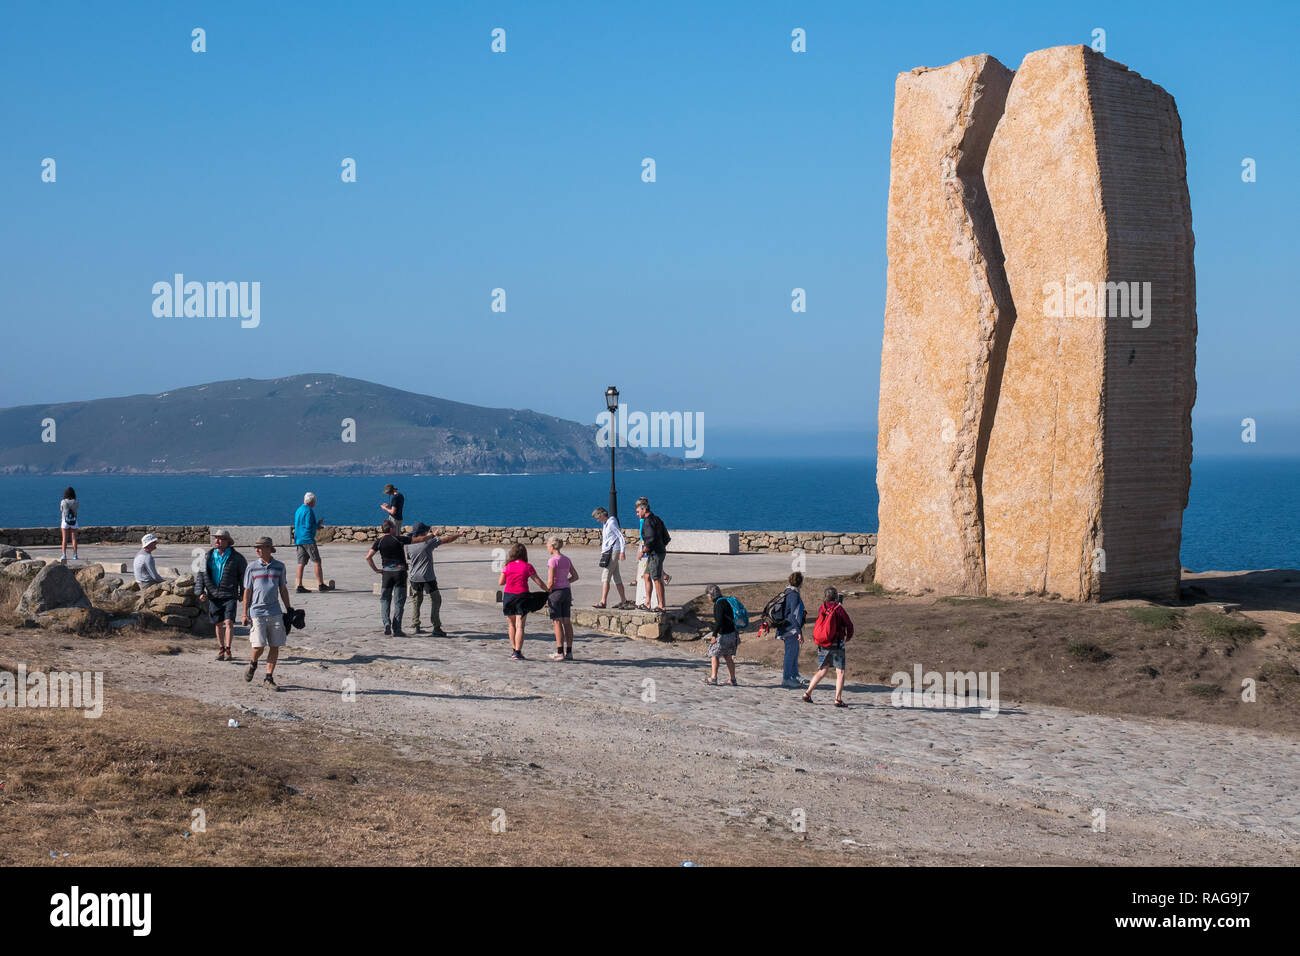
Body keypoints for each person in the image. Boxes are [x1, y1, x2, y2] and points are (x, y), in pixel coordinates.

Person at [365, 518, 438, 636]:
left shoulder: (379, 541)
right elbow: (419, 539)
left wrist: (376, 570)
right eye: (395, 527)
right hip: (400, 572)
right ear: (392, 529)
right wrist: (431, 536)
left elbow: (368, 557)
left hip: (387, 573)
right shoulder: (398, 539)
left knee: (385, 600)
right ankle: (397, 629)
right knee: (399, 602)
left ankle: (386, 624)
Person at [241, 537, 294, 690]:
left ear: (269, 548)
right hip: (256, 611)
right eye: (256, 547)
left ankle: (268, 678)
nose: (257, 550)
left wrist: (289, 608)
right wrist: (245, 613)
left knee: (275, 645)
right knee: (259, 646)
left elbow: (282, 588)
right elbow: (247, 591)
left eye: (260, 547)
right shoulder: (251, 567)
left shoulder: (279, 567)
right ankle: (253, 663)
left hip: (275, 611)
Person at [194, 528, 247, 662]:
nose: (217, 540)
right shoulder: (207, 557)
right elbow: (201, 575)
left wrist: (242, 593)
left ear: (228, 542)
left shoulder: (237, 558)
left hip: (230, 594)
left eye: (221, 538)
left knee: (228, 622)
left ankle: (228, 648)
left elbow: (243, 578)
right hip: (213, 594)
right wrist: (200, 592)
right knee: (218, 624)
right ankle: (221, 648)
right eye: (216, 538)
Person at [406, 521, 464, 635]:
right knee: (436, 600)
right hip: (428, 576)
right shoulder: (428, 542)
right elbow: (446, 540)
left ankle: (416, 625)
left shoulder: (409, 544)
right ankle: (436, 626)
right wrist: (458, 535)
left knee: (416, 601)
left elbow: (409, 558)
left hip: (414, 577)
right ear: (423, 532)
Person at [804, 586, 855, 708]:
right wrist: (848, 636)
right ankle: (838, 699)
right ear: (836, 596)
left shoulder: (822, 607)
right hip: (836, 644)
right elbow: (848, 624)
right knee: (840, 671)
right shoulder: (839, 609)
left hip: (822, 643)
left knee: (822, 670)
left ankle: (808, 693)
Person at [498, 543, 548, 661]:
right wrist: (547, 590)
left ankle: (513, 649)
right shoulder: (528, 566)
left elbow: (501, 582)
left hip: (509, 596)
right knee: (520, 626)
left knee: (511, 625)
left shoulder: (508, 566)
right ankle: (518, 652)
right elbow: (538, 582)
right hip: (522, 596)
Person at [545, 536, 580, 660]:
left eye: (548, 545)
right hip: (566, 591)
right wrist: (566, 581)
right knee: (567, 621)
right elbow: (575, 576)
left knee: (557, 622)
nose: (547, 547)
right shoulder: (566, 559)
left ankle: (559, 652)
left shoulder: (552, 561)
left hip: (556, 593)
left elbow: (550, 582)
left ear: (552, 547)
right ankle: (569, 651)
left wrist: (545, 595)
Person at [590, 507, 630, 609]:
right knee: (616, 577)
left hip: (613, 551)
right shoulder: (605, 524)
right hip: (609, 552)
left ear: (602, 515)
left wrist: (622, 551)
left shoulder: (611, 523)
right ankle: (624, 600)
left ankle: (603, 602)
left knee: (605, 576)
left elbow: (621, 537)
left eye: (597, 518)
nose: (597, 520)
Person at [635, 497, 669, 611]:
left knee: (656, 578)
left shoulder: (648, 522)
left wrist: (642, 551)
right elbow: (666, 536)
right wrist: (661, 545)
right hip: (657, 551)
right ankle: (647, 602)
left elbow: (650, 538)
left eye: (638, 511)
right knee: (646, 576)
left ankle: (661, 605)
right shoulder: (657, 519)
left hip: (655, 553)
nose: (637, 514)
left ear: (644, 510)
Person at [702, 584, 739, 686]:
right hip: (732, 634)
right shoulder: (726, 601)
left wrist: (714, 635)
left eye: (708, 596)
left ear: (712, 595)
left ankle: (713, 678)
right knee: (727, 656)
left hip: (724, 635)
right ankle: (733, 679)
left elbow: (719, 621)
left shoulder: (718, 604)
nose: (708, 598)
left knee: (714, 654)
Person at [293, 492, 329, 593]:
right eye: (314, 501)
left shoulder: (298, 510)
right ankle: (321, 584)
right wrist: (318, 525)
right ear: (312, 501)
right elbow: (309, 526)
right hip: (308, 539)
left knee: (301, 563)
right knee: (317, 561)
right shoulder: (309, 511)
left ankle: (299, 585)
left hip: (299, 539)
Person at [777, 572, 808, 689]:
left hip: (787, 628)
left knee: (794, 653)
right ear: (800, 582)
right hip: (791, 629)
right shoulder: (794, 595)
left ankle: (794, 675)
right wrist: (799, 632)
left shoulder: (788, 591)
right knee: (790, 654)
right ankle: (786, 678)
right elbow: (794, 616)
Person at [59, 487, 79, 562]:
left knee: (64, 539)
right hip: (74, 521)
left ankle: (64, 555)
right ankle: (75, 555)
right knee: (74, 538)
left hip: (65, 521)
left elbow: (61, 510)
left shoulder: (63, 501)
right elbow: (76, 510)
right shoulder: (76, 502)